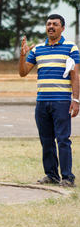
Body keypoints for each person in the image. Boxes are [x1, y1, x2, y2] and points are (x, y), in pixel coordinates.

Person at [19, 14, 79, 187]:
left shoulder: (71, 48)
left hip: (61, 102)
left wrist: (76, 100)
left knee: (63, 140)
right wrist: (23, 56)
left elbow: (75, 75)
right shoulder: (38, 49)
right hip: (42, 102)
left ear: (62, 28)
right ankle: (51, 175)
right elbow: (23, 73)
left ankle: (67, 177)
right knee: (46, 140)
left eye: (55, 24)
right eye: (48, 24)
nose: (51, 26)